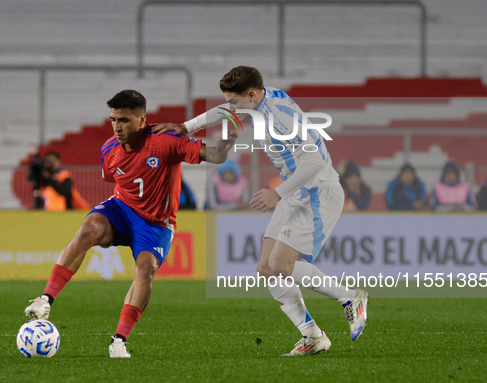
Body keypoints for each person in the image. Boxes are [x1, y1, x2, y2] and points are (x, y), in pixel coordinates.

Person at [153, 66, 368, 356]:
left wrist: (276, 192)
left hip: (318, 191)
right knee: (267, 269)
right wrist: (187, 127)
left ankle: (351, 298)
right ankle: (312, 336)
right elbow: (225, 109)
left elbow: (315, 162)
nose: (232, 107)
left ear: (252, 95)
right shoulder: (262, 100)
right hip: (296, 191)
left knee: (281, 265)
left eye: (236, 101)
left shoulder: (280, 117)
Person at [24, 90, 236, 358]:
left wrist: (228, 139)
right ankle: (45, 299)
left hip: (156, 223)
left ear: (142, 119)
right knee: (88, 229)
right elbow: (115, 180)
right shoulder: (109, 149)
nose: (117, 126)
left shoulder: (165, 142)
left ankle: (119, 341)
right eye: (113, 119)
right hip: (123, 209)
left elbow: (215, 155)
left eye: (123, 120)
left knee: (145, 270)